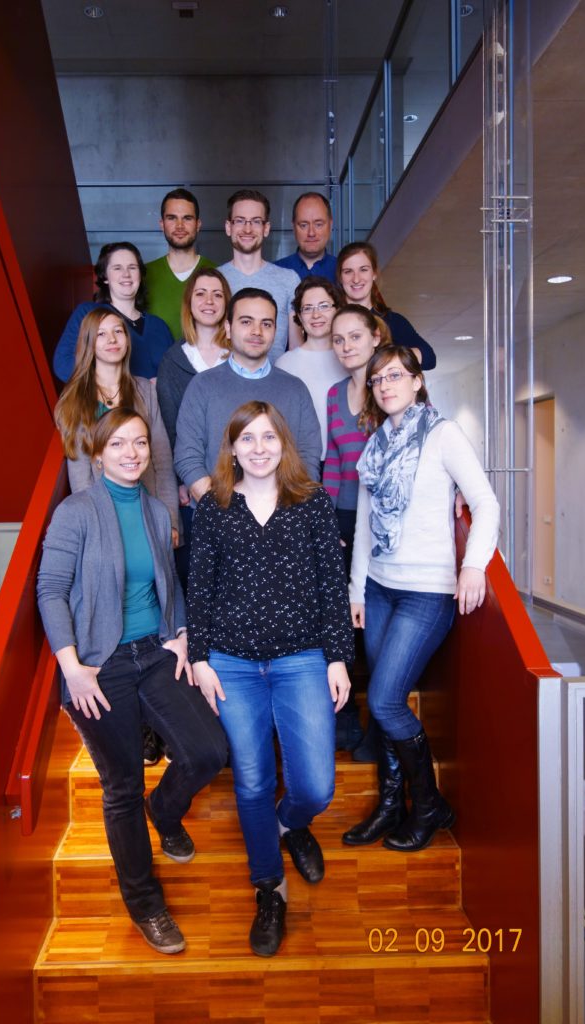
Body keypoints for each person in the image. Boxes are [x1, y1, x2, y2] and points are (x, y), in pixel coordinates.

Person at [37, 407, 227, 955]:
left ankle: (163, 811)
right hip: (99, 665)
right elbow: (50, 591)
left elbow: (169, 583)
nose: (131, 452)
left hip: (155, 652)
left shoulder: (154, 510)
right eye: (117, 443)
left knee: (209, 751)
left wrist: (180, 633)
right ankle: (146, 905)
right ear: (98, 454)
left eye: (140, 442)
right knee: (122, 787)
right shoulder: (76, 512)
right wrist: (71, 668)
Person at [187, 401, 354, 957]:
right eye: (247, 439)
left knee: (316, 787)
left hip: (301, 659)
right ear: (232, 449)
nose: (258, 448)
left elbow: (332, 586)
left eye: (268, 437)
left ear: (284, 444)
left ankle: (289, 823)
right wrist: (201, 658)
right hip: (232, 664)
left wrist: (337, 658)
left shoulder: (311, 502)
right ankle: (269, 888)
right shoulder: (214, 506)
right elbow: (199, 588)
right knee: (253, 781)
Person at [342, 347, 499, 853]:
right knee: (382, 702)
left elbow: (486, 502)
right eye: (377, 379)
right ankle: (392, 806)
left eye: (395, 375)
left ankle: (430, 807)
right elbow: (366, 526)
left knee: (386, 701)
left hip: (426, 592)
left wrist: (473, 564)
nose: (385, 385)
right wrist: (357, 589)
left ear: (416, 381)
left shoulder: (443, 434)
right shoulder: (375, 446)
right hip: (380, 589)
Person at [174, 288, 322, 501]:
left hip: (283, 514)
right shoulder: (202, 386)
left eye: (266, 324)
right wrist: (221, 512)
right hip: (217, 512)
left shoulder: (296, 389)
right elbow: (187, 457)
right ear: (228, 328)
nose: (257, 331)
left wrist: (283, 511)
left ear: (275, 331)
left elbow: (308, 458)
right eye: (246, 322)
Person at [324, 303, 389, 756]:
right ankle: (344, 717)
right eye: (338, 339)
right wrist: (327, 521)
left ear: (375, 337)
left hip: (383, 523)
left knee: (376, 623)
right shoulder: (333, 394)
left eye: (355, 336)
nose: (346, 346)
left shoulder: (390, 388)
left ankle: (378, 727)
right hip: (344, 518)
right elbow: (333, 462)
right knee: (339, 617)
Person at [54, 307, 178, 538]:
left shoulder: (145, 390)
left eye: (118, 331)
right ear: (88, 343)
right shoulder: (73, 400)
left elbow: (162, 461)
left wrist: (170, 521)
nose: (112, 339)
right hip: (103, 519)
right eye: (101, 334)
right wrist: (95, 530)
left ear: (127, 340)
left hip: (149, 513)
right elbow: (80, 475)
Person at [156, 266, 232, 587]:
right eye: (201, 294)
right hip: (193, 485)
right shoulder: (173, 360)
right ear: (189, 302)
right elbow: (168, 426)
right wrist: (180, 480)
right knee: (198, 574)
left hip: (241, 482)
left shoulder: (241, 356)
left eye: (217, 295)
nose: (209, 301)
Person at [53, 242, 173, 383]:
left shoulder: (159, 326)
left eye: (132, 267)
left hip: (155, 398)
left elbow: (174, 372)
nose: (126, 274)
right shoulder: (88, 312)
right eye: (117, 268)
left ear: (140, 275)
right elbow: (63, 364)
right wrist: (122, 386)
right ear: (105, 277)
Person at [218, 189, 301, 359]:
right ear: (228, 227)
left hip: (275, 375)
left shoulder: (289, 279)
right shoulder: (214, 281)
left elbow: (296, 349)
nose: (247, 229)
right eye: (240, 221)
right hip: (224, 375)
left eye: (256, 221)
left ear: (266, 228)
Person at [275, 275, 346, 465]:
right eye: (307, 308)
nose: (316, 315)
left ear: (337, 310)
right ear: (298, 316)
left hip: (346, 462)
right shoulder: (284, 364)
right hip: (300, 464)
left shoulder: (350, 358)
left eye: (324, 306)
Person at [336, 242, 437, 370]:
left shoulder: (393, 321)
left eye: (363, 270)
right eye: (348, 271)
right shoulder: (331, 319)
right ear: (340, 277)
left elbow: (429, 358)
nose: (356, 279)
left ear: (374, 274)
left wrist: (384, 362)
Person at [145, 188, 216, 341]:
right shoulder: (142, 275)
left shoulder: (217, 273)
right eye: (172, 218)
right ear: (162, 224)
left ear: (198, 224)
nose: (179, 226)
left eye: (187, 218)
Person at [275, 192, 337, 282]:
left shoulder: (344, 272)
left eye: (318, 225)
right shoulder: (275, 272)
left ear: (330, 225)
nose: (311, 233)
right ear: (293, 227)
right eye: (303, 225)